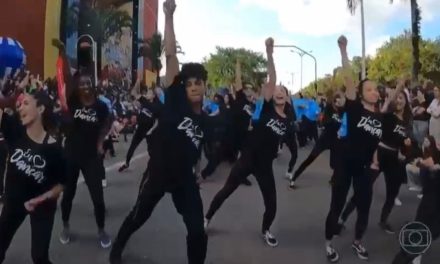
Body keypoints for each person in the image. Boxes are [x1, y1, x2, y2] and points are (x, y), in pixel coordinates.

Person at [109, 1, 208, 263]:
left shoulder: (205, 121)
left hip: (184, 181)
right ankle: (117, 247)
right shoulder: (176, 100)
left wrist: (197, 173)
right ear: (183, 88)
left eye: (199, 83)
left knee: (198, 230)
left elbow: (196, 149)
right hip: (158, 173)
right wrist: (168, 15)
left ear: (205, 87)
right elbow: (171, 55)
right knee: (138, 216)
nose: (195, 87)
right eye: (190, 84)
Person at [204, 37, 290, 247]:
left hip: (264, 165)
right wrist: (269, 53)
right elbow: (272, 78)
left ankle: (266, 230)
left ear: (287, 98)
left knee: (272, 203)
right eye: (275, 92)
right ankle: (206, 219)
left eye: (282, 92)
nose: (278, 93)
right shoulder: (266, 107)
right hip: (248, 158)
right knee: (226, 191)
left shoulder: (290, 119)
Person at [324, 35, 382, 262]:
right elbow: (349, 79)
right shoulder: (355, 108)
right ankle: (328, 244)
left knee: (364, 207)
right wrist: (344, 51)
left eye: (376, 90)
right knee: (336, 207)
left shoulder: (378, 117)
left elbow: (375, 142)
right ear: (360, 93)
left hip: (364, 170)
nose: (374, 93)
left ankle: (358, 241)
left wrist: (376, 161)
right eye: (369, 90)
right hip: (344, 166)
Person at [53, 40, 113, 248]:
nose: (85, 86)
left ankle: (101, 230)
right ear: (77, 89)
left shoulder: (100, 107)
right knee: (68, 196)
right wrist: (62, 52)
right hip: (71, 156)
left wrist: (99, 142)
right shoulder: (73, 102)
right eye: (82, 84)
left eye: (88, 83)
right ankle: (66, 226)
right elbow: (68, 77)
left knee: (98, 199)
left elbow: (106, 124)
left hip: (91, 158)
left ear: (93, 86)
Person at [0, 89, 66, 264]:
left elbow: (61, 184)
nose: (21, 108)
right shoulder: (14, 128)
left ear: (41, 109)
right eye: (20, 105)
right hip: (13, 202)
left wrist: (39, 199)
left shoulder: (55, 149)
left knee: (39, 257)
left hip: (42, 207)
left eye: (26, 103)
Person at [340, 80, 413, 234]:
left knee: (392, 193)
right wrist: (400, 85)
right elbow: (390, 99)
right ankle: (343, 218)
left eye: (402, 98)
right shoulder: (386, 115)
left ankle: (383, 220)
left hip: (394, 159)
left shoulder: (407, 122)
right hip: (378, 154)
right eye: (397, 98)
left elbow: (407, 144)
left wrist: (405, 146)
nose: (398, 100)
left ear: (407, 101)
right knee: (362, 190)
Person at [392, 136, 440, 264]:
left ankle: (415, 250)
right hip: (432, 202)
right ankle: (413, 251)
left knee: (429, 232)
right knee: (421, 232)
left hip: (432, 201)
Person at [288, 92, 345, 187]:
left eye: (341, 101)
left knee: (336, 163)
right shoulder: (329, 109)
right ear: (334, 101)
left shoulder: (343, 111)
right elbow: (325, 123)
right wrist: (335, 123)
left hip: (336, 141)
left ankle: (334, 179)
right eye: (337, 101)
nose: (338, 103)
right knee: (310, 158)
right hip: (324, 139)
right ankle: (294, 178)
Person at [118, 75, 162, 172]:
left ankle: (157, 167)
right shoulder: (145, 101)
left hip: (150, 131)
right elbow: (134, 92)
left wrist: (152, 131)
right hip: (140, 129)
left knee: (152, 151)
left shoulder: (158, 106)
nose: (146, 94)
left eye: (149, 92)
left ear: (154, 95)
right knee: (132, 146)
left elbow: (159, 121)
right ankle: (126, 163)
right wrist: (138, 80)